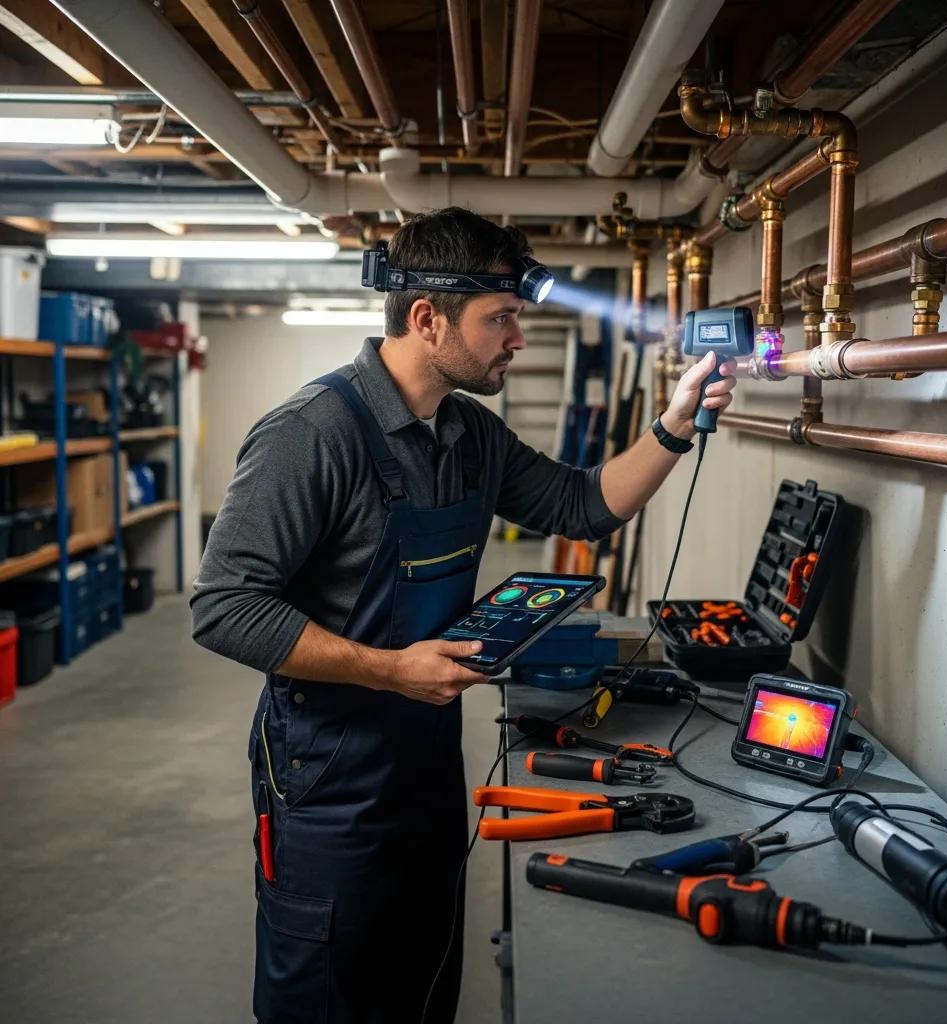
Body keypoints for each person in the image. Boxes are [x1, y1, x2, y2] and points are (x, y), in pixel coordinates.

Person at [191, 207, 736, 1024]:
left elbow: (583, 505)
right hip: (325, 778)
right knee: (329, 989)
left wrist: (673, 426)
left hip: (426, 758)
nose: (517, 339)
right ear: (426, 317)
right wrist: (389, 668)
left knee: (423, 969)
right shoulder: (311, 435)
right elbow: (224, 606)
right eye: (502, 319)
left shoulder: (470, 434)